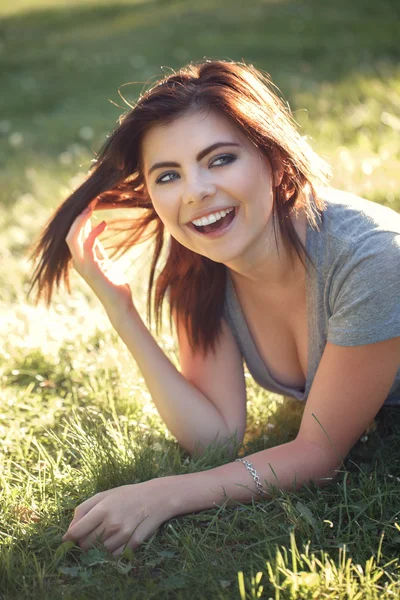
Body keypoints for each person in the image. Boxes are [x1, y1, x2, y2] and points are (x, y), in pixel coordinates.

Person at [26, 59, 400, 557]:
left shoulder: (371, 260)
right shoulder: (201, 262)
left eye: (221, 159)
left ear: (272, 157)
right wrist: (121, 309)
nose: (197, 192)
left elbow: (319, 452)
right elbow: (216, 438)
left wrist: (164, 494)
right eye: (168, 175)